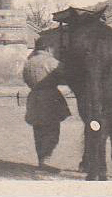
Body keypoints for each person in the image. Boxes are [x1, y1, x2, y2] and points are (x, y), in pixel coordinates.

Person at [23, 38, 70, 170]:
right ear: (48, 48)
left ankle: (41, 160)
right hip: (49, 98)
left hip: (34, 97)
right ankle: (47, 161)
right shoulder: (50, 61)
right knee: (52, 130)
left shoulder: (28, 62)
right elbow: (66, 74)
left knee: (38, 130)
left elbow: (25, 79)